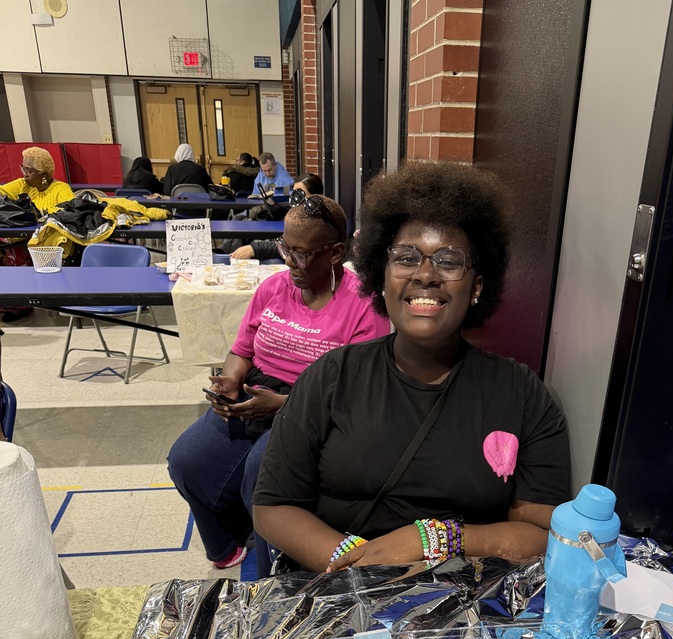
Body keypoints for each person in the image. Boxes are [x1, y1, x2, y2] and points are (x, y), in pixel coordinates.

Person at [252, 160, 571, 575]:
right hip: (337, 593)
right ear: (380, 277)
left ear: (476, 286)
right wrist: (361, 567)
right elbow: (274, 506)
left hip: (463, 610)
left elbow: (543, 535)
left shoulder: (523, 395)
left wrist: (433, 538)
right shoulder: (332, 377)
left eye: (449, 261)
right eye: (406, 258)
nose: (425, 275)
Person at [167, 194, 390, 573]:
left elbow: (355, 395)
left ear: (335, 252)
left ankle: (275, 573)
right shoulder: (272, 288)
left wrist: (283, 405)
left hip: (314, 408)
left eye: (302, 254)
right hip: (256, 393)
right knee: (186, 459)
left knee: (261, 475)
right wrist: (231, 381)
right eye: (286, 247)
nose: (289, 261)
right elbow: (241, 350)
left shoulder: (363, 307)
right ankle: (226, 545)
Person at [0, 146, 74, 321]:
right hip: (19, 238)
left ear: (44, 174)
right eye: (23, 168)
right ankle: (7, 296)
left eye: (30, 170)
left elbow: (67, 213)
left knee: (12, 251)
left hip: (47, 243)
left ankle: (21, 302)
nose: (25, 173)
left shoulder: (61, 189)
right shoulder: (21, 185)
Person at [231, 172, 324, 261]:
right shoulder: (302, 214)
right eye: (294, 194)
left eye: (300, 195)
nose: (295, 201)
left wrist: (253, 249)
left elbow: (288, 247)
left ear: (315, 197)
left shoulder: (317, 220)